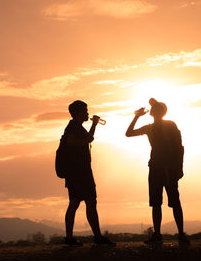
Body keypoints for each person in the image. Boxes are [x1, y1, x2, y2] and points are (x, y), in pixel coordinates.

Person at [125, 98, 190, 244]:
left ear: (156, 112)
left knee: (168, 202)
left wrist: (178, 167)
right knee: (160, 202)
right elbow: (128, 134)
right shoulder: (156, 127)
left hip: (166, 168)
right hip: (158, 167)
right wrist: (136, 116)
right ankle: (166, 234)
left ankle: (174, 233)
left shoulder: (164, 126)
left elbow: (180, 148)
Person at [62, 100, 114, 246]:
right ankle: (95, 237)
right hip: (79, 172)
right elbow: (73, 143)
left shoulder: (76, 126)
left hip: (77, 172)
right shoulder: (73, 127)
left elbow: (87, 139)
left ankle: (71, 238)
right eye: (85, 110)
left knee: (77, 202)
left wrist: (94, 125)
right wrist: (87, 137)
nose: (87, 113)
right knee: (87, 202)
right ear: (79, 113)